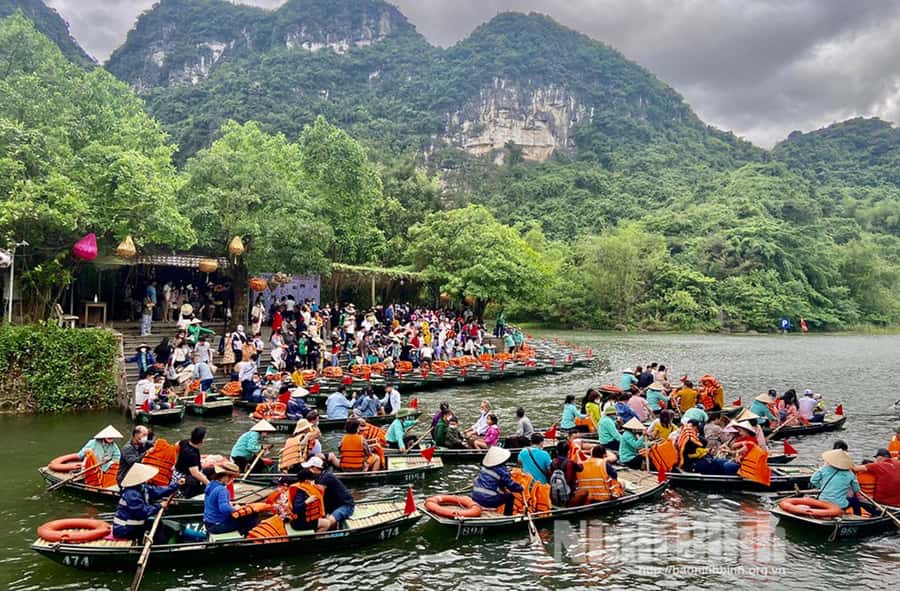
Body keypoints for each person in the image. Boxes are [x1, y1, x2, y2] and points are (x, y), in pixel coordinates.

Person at [113, 464, 182, 541]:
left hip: (134, 525)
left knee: (160, 525)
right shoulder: (131, 494)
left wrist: (176, 484)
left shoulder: (142, 487)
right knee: (157, 530)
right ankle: (157, 545)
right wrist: (159, 506)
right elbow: (142, 512)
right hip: (125, 529)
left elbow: (158, 491)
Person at [204, 461, 260, 535]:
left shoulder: (211, 484)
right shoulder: (222, 490)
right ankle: (249, 537)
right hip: (218, 526)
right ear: (225, 476)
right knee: (251, 516)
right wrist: (235, 508)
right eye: (231, 477)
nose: (231, 480)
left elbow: (213, 501)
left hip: (208, 524)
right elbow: (224, 509)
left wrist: (229, 503)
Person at [303, 456, 355, 531]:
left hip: (345, 506)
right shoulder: (318, 478)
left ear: (315, 468)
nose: (307, 470)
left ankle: (318, 536)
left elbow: (317, 496)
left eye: (308, 468)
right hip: (332, 506)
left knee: (327, 522)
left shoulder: (326, 477)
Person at [471, 447, 524, 516]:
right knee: (510, 497)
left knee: (501, 493)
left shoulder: (484, 468)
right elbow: (511, 485)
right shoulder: (501, 470)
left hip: (475, 497)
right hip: (488, 500)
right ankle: (508, 516)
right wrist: (520, 488)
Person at [811, 449, 862, 515]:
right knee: (855, 501)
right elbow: (856, 489)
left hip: (823, 502)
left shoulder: (824, 469)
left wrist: (822, 487)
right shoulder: (850, 474)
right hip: (840, 504)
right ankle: (858, 516)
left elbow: (813, 480)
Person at [175, 427, 209, 498]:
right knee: (194, 482)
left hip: (179, 470)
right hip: (184, 477)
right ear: (202, 440)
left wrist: (177, 460)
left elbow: (177, 444)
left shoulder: (185, 442)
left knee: (211, 470)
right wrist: (209, 484)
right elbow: (195, 473)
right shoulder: (191, 454)